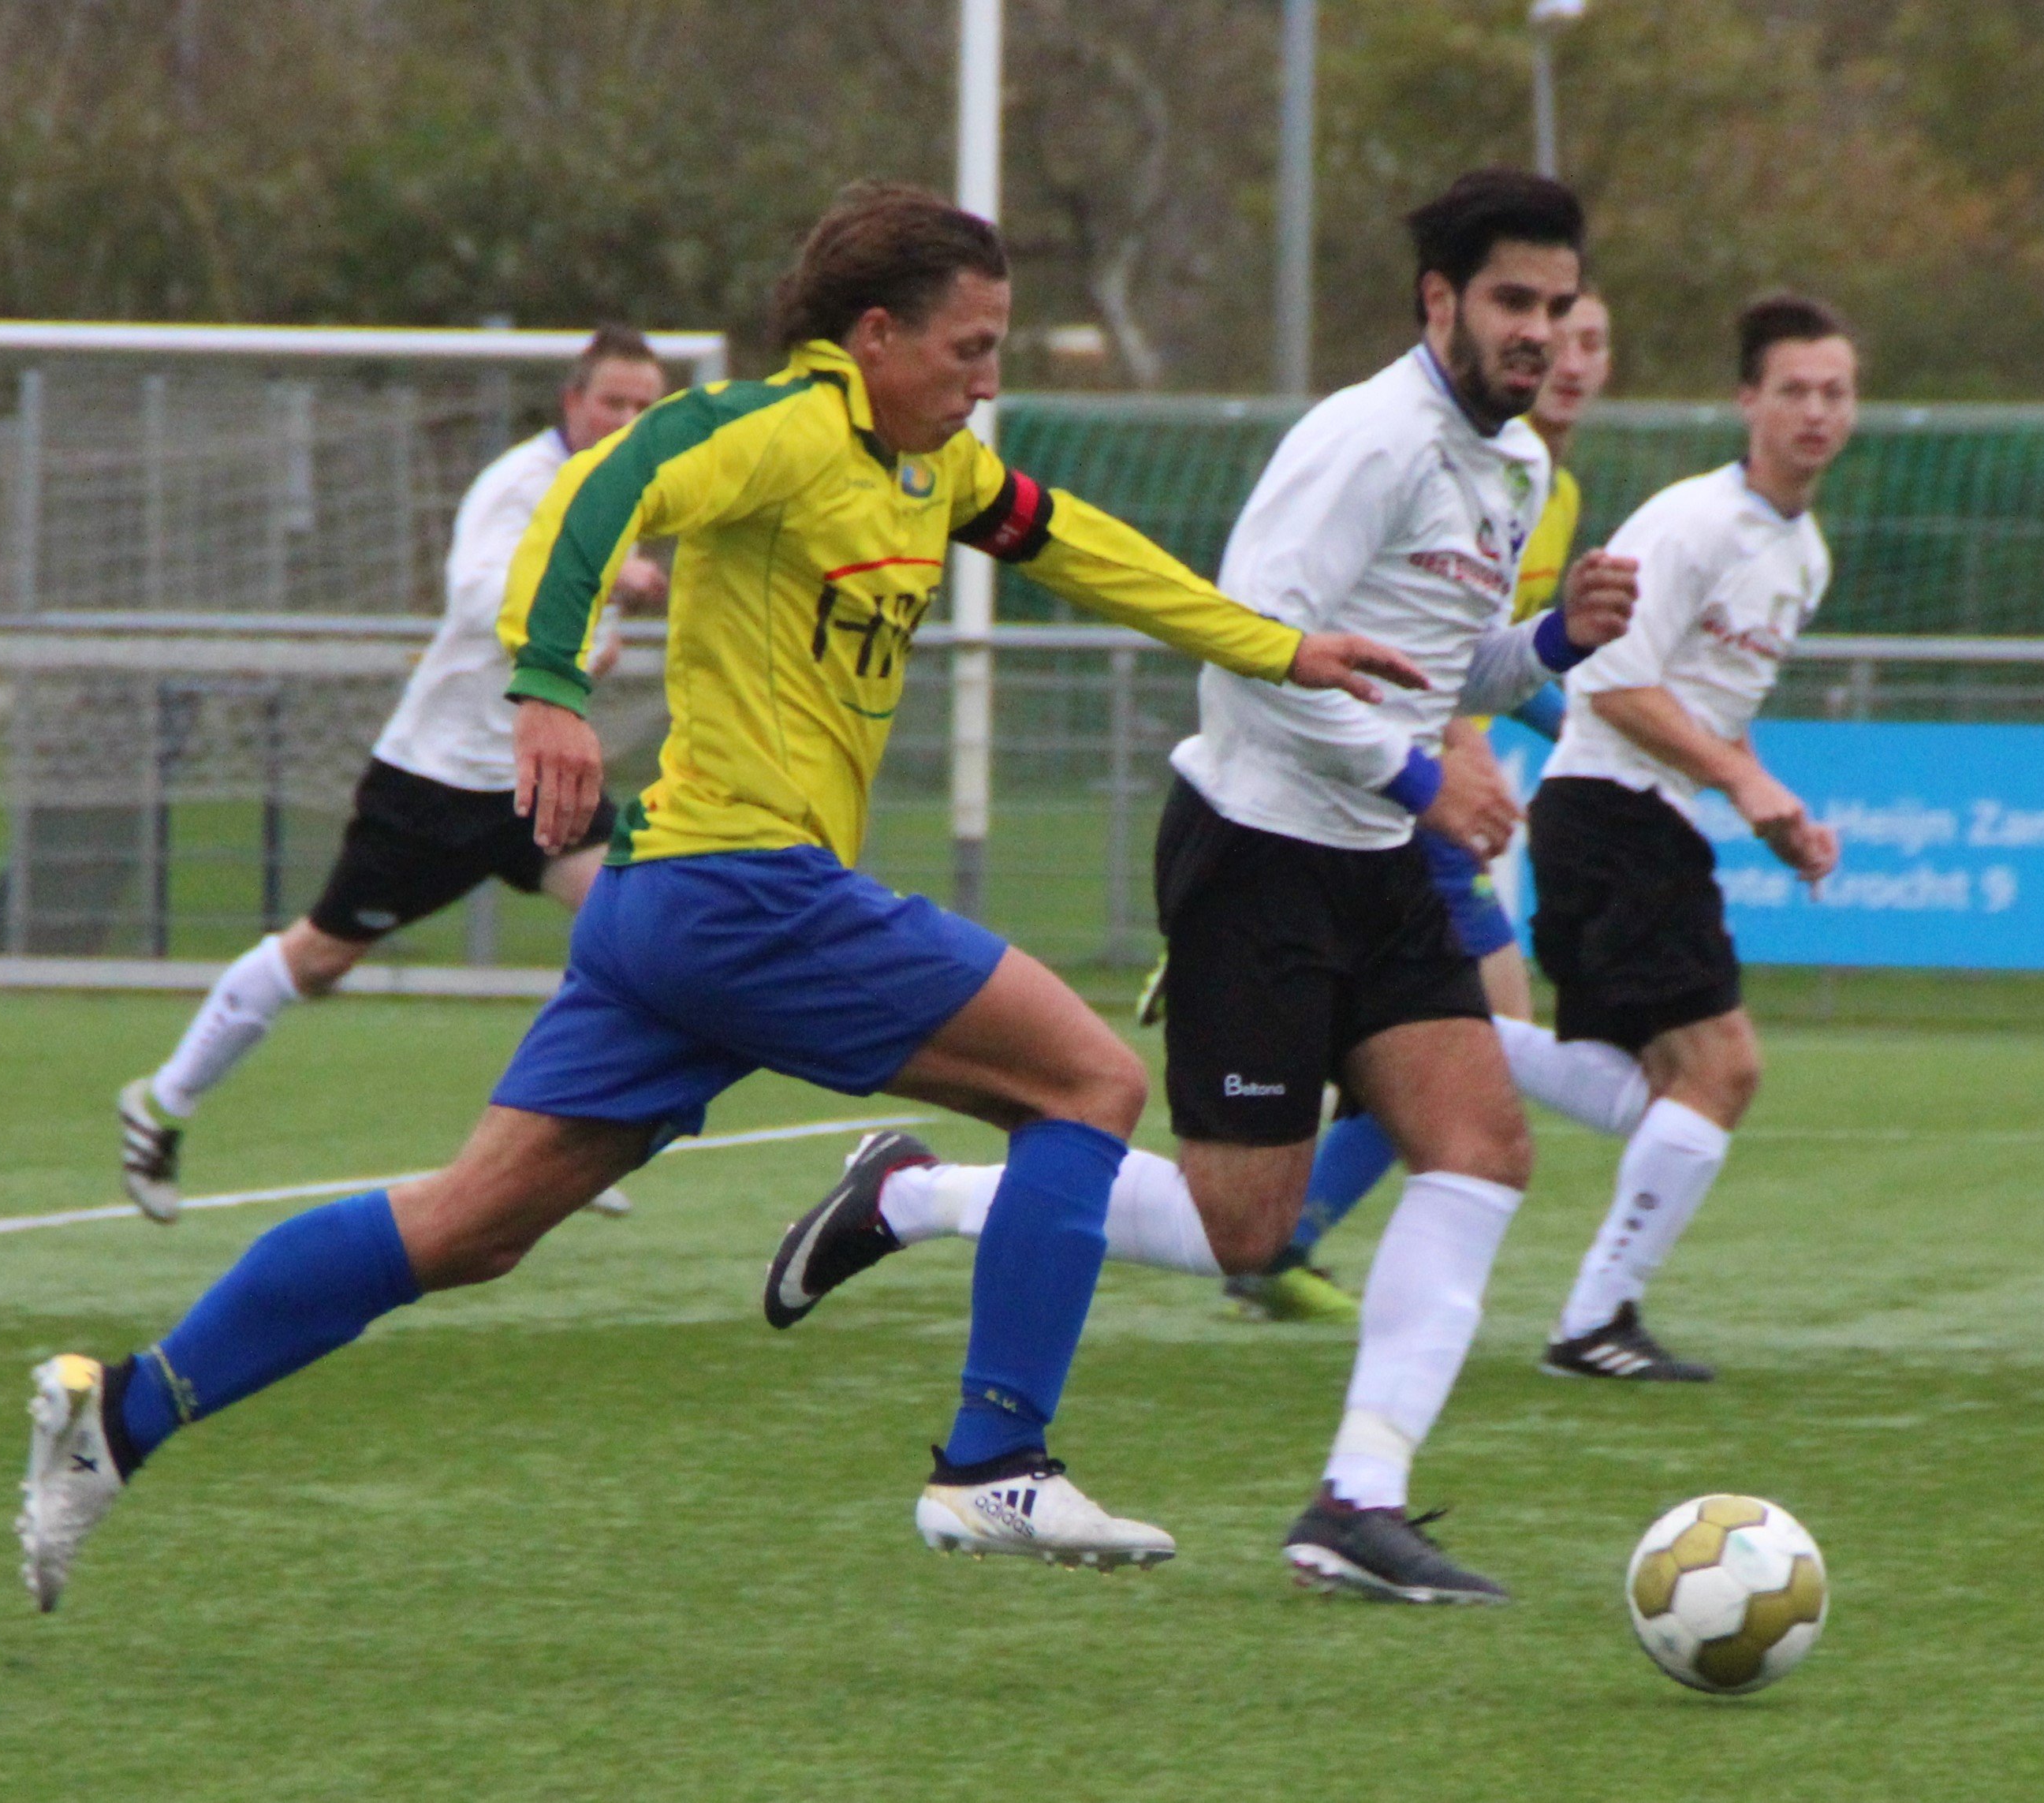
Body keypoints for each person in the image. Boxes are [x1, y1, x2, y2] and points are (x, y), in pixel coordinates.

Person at [17, 181, 1426, 1610]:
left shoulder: (932, 469)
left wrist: (1276, 649)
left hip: (668, 914)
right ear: (874, 334)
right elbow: (599, 485)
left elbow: (1076, 544)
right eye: (970, 348)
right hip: (746, 891)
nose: (989, 380)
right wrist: (549, 684)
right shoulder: (777, 427)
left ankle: (118, 1415)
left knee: (468, 1227)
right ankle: (994, 1457)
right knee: (1087, 1086)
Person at [763, 170, 1640, 1603]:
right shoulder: (1364, 440)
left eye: (1559, 305)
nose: (1541, 333)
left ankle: (1358, 1501)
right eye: (1513, 304)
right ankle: (921, 1195)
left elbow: (1440, 665)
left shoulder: (1521, 469)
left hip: (1379, 862)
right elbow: (1254, 645)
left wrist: (1551, 641)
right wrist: (1424, 781)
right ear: (1442, 304)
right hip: (1261, 857)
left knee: (1480, 1147)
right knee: (1249, 1230)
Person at [115, 328, 671, 1223]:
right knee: (324, 954)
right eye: (615, 402)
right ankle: (161, 1103)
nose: (629, 421)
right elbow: (480, 597)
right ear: (572, 402)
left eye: (647, 407)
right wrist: (608, 581)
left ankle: (561, 1140)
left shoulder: (620, 489)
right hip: (437, 781)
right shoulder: (521, 485)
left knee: (635, 921)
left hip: (528, 775)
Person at [1240, 288, 1620, 1323]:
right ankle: (1281, 1242)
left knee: (1467, 1054)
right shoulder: (1408, 450)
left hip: (1427, 792)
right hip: (1399, 795)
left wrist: (1574, 704)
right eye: (1548, 328)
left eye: (1589, 339)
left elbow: (1476, 652)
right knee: (1481, 1041)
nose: (1569, 356)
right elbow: (1385, 646)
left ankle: (1283, 1246)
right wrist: (1450, 753)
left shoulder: (1545, 483)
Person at [1524, 292, 1854, 1382]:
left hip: (1639, 819)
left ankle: (1401, 1026)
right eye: (1793, 389)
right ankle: (1591, 1323)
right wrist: (1742, 780)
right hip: (1605, 812)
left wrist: (1771, 811)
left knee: (1659, 1083)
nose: (1814, 411)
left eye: (1834, 391)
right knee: (1720, 1067)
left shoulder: (1802, 553)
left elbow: (1717, 709)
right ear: (1746, 400)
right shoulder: (1692, 521)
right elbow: (1612, 681)